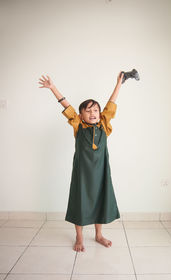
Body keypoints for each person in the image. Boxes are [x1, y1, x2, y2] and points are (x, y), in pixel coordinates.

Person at [38, 71, 124, 252]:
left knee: (101, 201)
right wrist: (53, 88)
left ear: (100, 114)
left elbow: (112, 103)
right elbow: (68, 107)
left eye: (95, 110)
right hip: (82, 175)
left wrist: (119, 84)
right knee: (80, 203)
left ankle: (99, 235)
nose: (92, 113)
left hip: (101, 174)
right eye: (88, 110)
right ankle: (79, 238)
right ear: (81, 115)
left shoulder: (104, 125)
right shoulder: (78, 126)